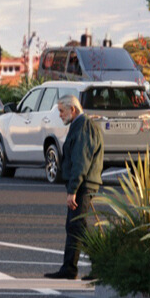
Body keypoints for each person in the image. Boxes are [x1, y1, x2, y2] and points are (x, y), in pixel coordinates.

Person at [51, 85, 105, 280]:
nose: (60, 115)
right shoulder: (80, 125)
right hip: (82, 183)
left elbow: (81, 161)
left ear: (72, 109)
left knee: (78, 225)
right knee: (73, 225)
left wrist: (72, 189)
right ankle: (69, 268)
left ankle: (100, 264)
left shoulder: (83, 126)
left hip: (83, 185)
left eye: (61, 111)